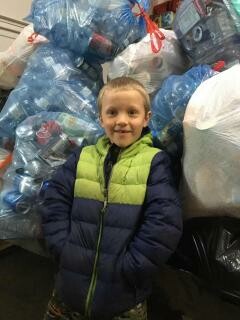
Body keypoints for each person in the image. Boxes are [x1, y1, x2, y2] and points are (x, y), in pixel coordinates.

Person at [39, 76, 182, 320]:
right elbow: (55, 201)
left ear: (146, 118)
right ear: (101, 118)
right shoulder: (82, 157)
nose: (122, 121)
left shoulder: (154, 162)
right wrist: (63, 248)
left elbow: (164, 221)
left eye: (132, 113)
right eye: (113, 112)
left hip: (123, 297)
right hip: (68, 291)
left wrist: (133, 266)